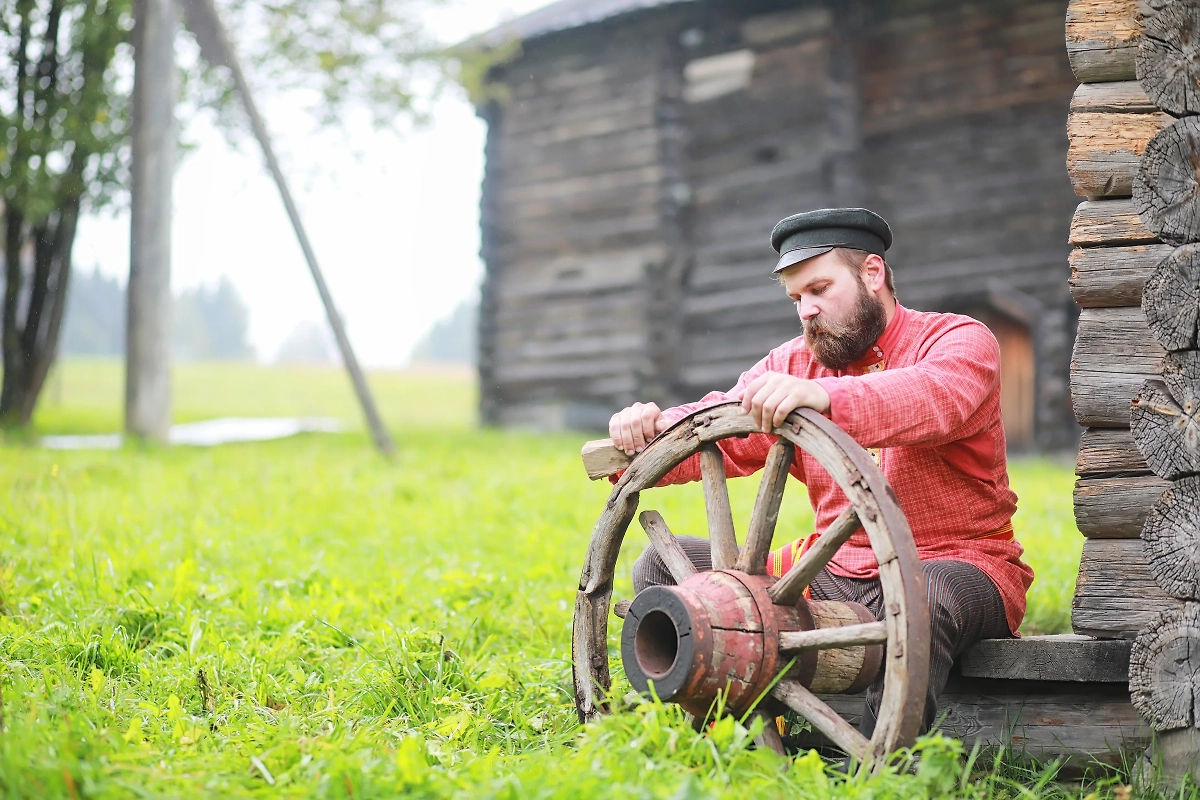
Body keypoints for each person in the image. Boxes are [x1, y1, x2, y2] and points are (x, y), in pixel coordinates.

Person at [609, 208, 1033, 736]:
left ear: (872, 274)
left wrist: (824, 396)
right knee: (664, 567)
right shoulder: (794, 363)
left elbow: (935, 398)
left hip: (956, 562)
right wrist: (645, 431)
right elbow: (727, 422)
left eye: (820, 288)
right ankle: (726, 743)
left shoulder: (958, 341)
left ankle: (888, 768)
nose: (807, 310)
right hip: (835, 572)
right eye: (796, 299)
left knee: (926, 592)